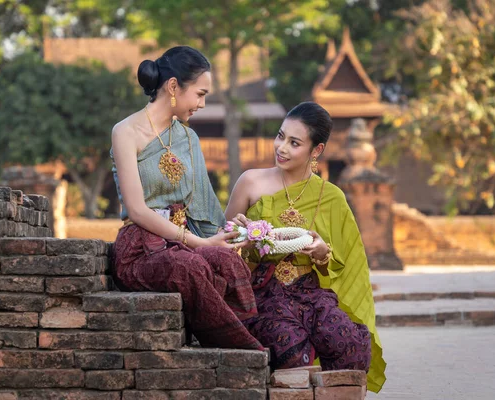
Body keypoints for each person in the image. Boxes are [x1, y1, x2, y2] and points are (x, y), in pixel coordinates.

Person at [225, 102, 386, 392]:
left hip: (310, 293)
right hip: (262, 293)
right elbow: (222, 244)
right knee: (293, 349)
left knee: (349, 343)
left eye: (294, 143)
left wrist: (323, 254)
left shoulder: (332, 197)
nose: (282, 147)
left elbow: (344, 261)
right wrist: (239, 234)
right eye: (280, 136)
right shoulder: (250, 182)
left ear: (316, 151)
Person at [110, 46, 262, 350]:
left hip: (182, 244)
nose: (203, 104)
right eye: (201, 94)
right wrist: (199, 243)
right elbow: (138, 210)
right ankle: (247, 352)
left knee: (224, 261)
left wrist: (228, 234)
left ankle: (255, 337)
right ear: (173, 86)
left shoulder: (189, 138)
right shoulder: (125, 131)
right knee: (188, 267)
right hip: (141, 248)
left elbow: (203, 207)